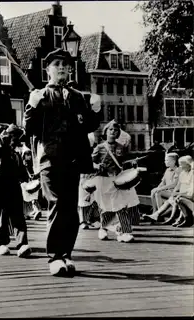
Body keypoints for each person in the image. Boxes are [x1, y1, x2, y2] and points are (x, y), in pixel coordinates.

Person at [23, 48, 101, 276]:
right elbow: (29, 129)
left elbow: (88, 126)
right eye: (57, 64)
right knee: (57, 203)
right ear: (48, 69)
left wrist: (94, 111)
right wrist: (31, 107)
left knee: (70, 209)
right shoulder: (40, 95)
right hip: (50, 159)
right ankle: (55, 257)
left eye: (65, 64)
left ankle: (66, 254)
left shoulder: (77, 97)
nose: (62, 68)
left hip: (73, 160)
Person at [92, 120, 140, 244]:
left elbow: (125, 162)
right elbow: (91, 162)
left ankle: (125, 232)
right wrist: (96, 166)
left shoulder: (121, 147)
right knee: (106, 207)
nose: (113, 132)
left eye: (116, 130)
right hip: (103, 180)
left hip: (117, 180)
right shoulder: (100, 147)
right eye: (110, 130)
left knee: (121, 206)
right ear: (106, 132)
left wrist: (132, 163)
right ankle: (103, 228)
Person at [0, 124, 32, 258]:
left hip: (15, 185)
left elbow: (21, 171)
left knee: (18, 215)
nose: (15, 138)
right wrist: (5, 135)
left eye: (16, 135)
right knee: (2, 214)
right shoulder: (1, 149)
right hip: (2, 185)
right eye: (13, 135)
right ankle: (2, 242)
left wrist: (26, 182)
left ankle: (22, 244)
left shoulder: (17, 153)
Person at [145, 155, 194, 227]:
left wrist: (177, 193)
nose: (180, 167)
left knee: (177, 198)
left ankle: (162, 216)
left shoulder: (191, 173)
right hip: (184, 194)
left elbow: (191, 193)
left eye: (181, 164)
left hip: (190, 195)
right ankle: (158, 215)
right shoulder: (182, 173)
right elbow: (177, 186)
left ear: (188, 164)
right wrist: (173, 193)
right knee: (173, 197)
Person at [20, 145, 42, 221]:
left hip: (31, 183)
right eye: (27, 155)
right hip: (24, 183)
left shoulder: (32, 165)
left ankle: (36, 211)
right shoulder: (22, 165)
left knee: (34, 198)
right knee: (25, 200)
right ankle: (26, 213)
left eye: (30, 155)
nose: (29, 157)